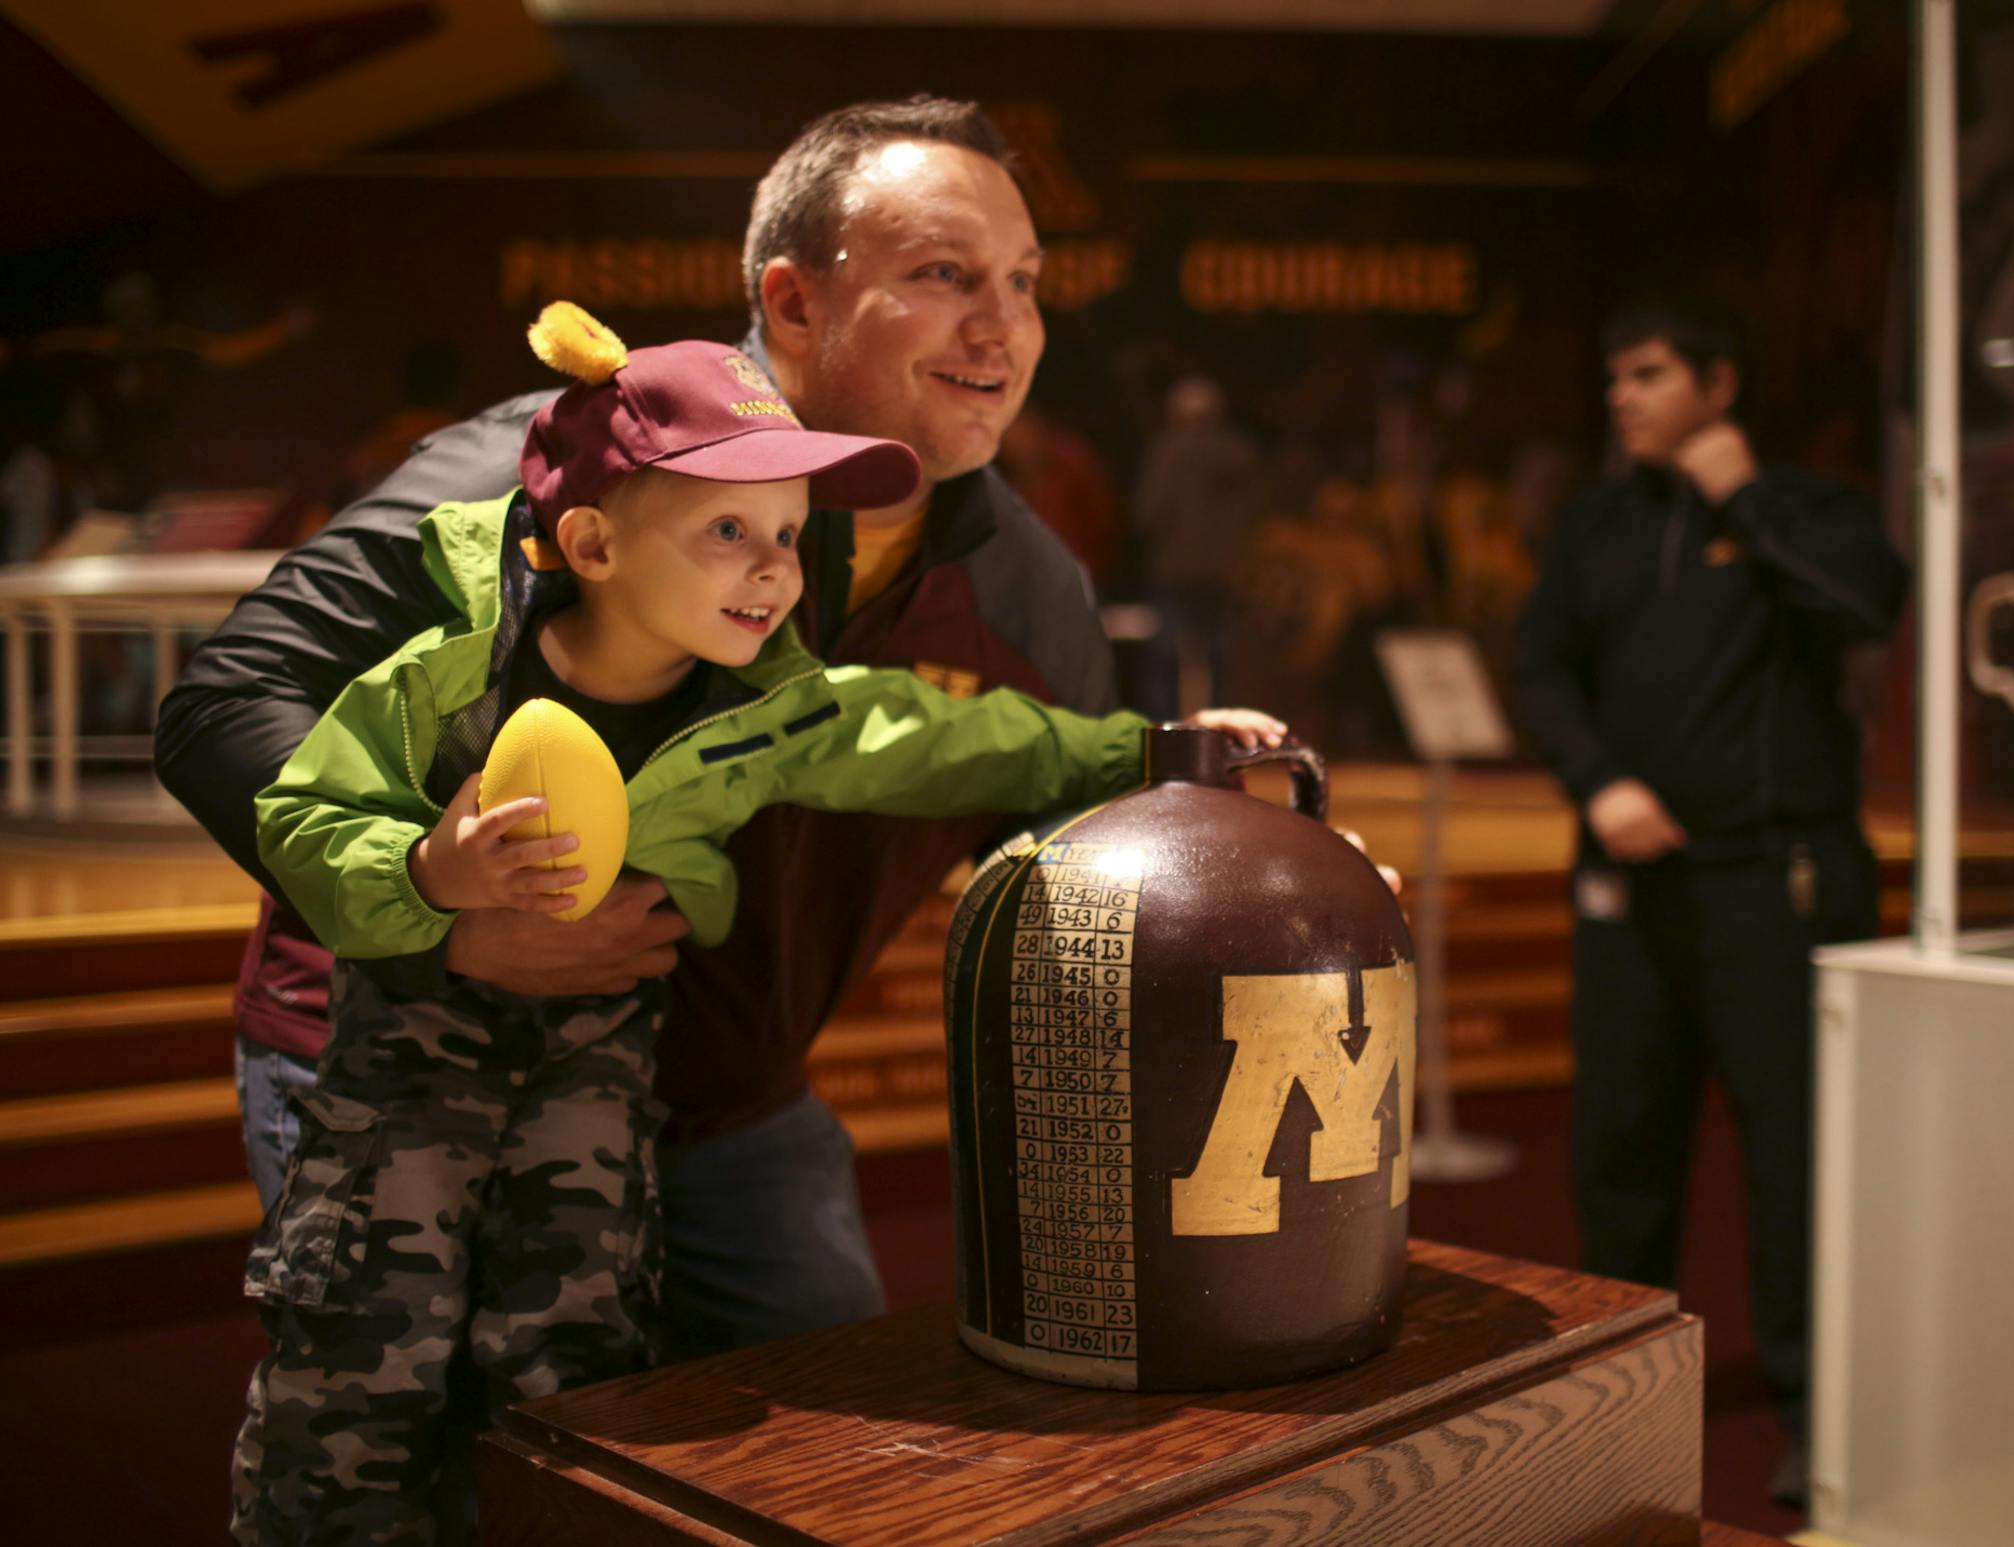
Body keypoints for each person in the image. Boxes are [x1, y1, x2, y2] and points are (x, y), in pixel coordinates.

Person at [228, 302, 1277, 1543]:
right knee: (365, 1359)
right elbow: (303, 817)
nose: (777, 568)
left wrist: (1153, 748)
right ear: (593, 542)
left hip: (596, 1073)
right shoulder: (445, 673)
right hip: (406, 1070)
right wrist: (424, 872)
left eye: (788, 532)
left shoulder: (765, 707)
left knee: (576, 1358)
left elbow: (937, 734)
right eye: (729, 528)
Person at [156, 96, 1116, 1359]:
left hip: (724, 1110)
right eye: (945, 275)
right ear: (793, 302)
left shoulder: (1030, 589)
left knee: (827, 1483)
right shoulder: (551, 469)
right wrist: (444, 917)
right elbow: (222, 701)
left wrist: (1247, 850)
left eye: (1026, 282)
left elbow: (1086, 837)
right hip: (408, 1056)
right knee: (426, 1472)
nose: (1003, 327)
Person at [1512, 293, 1908, 1510]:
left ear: (1718, 384)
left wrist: (1745, 499)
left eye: (1648, 373)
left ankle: (1810, 1407)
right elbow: (1539, 667)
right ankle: (1617, 1389)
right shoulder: (1597, 527)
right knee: (1620, 1150)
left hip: (1774, 887)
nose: (1621, 396)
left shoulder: (1806, 510)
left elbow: (1868, 607)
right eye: (1614, 376)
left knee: (1795, 1162)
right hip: (1633, 890)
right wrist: (1603, 781)